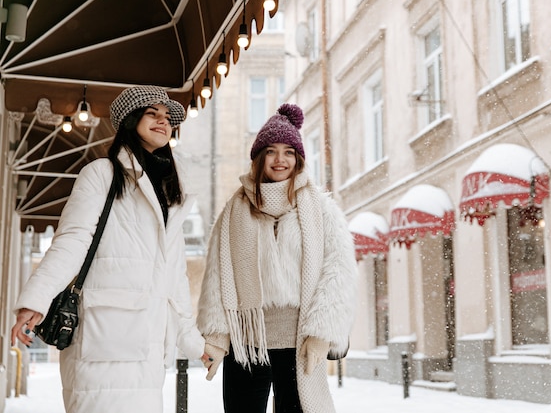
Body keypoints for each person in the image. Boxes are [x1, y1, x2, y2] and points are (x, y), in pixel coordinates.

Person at [10, 85, 210, 413]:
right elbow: (72, 241)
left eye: (167, 117)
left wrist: (192, 340)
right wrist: (36, 299)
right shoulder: (101, 174)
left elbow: (173, 275)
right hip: (102, 338)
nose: (163, 121)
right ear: (131, 120)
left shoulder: (171, 191)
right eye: (152, 114)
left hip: (148, 349)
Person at [197, 103, 358, 413]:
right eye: (271, 151)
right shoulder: (234, 210)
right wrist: (216, 339)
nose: (280, 159)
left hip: (299, 342)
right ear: (259, 158)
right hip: (247, 344)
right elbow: (218, 276)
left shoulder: (320, 208)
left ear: (298, 159)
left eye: (288, 151)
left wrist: (322, 333)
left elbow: (339, 272)